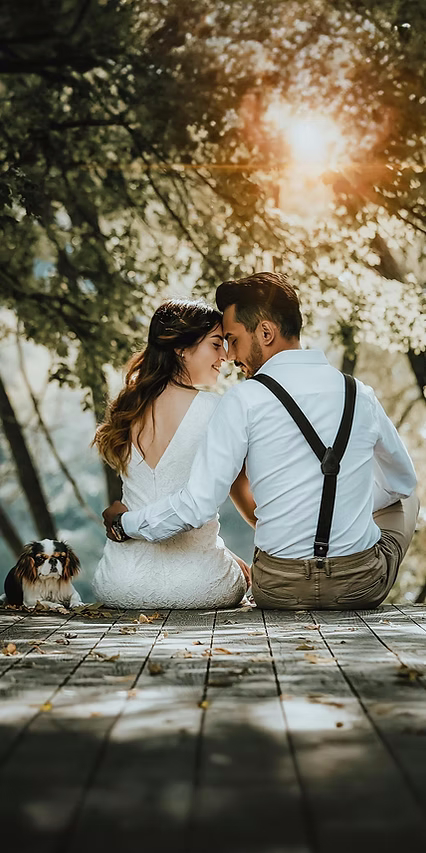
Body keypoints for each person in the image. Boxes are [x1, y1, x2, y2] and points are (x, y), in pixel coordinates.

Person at [103, 273, 419, 610]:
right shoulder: (360, 394)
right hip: (359, 586)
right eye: (220, 342)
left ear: (265, 333)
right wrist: (346, 506)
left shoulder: (242, 400)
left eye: (233, 339)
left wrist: (126, 523)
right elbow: (401, 482)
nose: (230, 355)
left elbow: (197, 504)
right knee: (406, 497)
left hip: (277, 588)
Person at [93, 298, 250, 609]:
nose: (226, 356)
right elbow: (246, 506)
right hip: (200, 586)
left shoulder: (127, 408)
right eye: (216, 344)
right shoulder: (218, 408)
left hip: (120, 584)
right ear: (181, 348)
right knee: (245, 576)